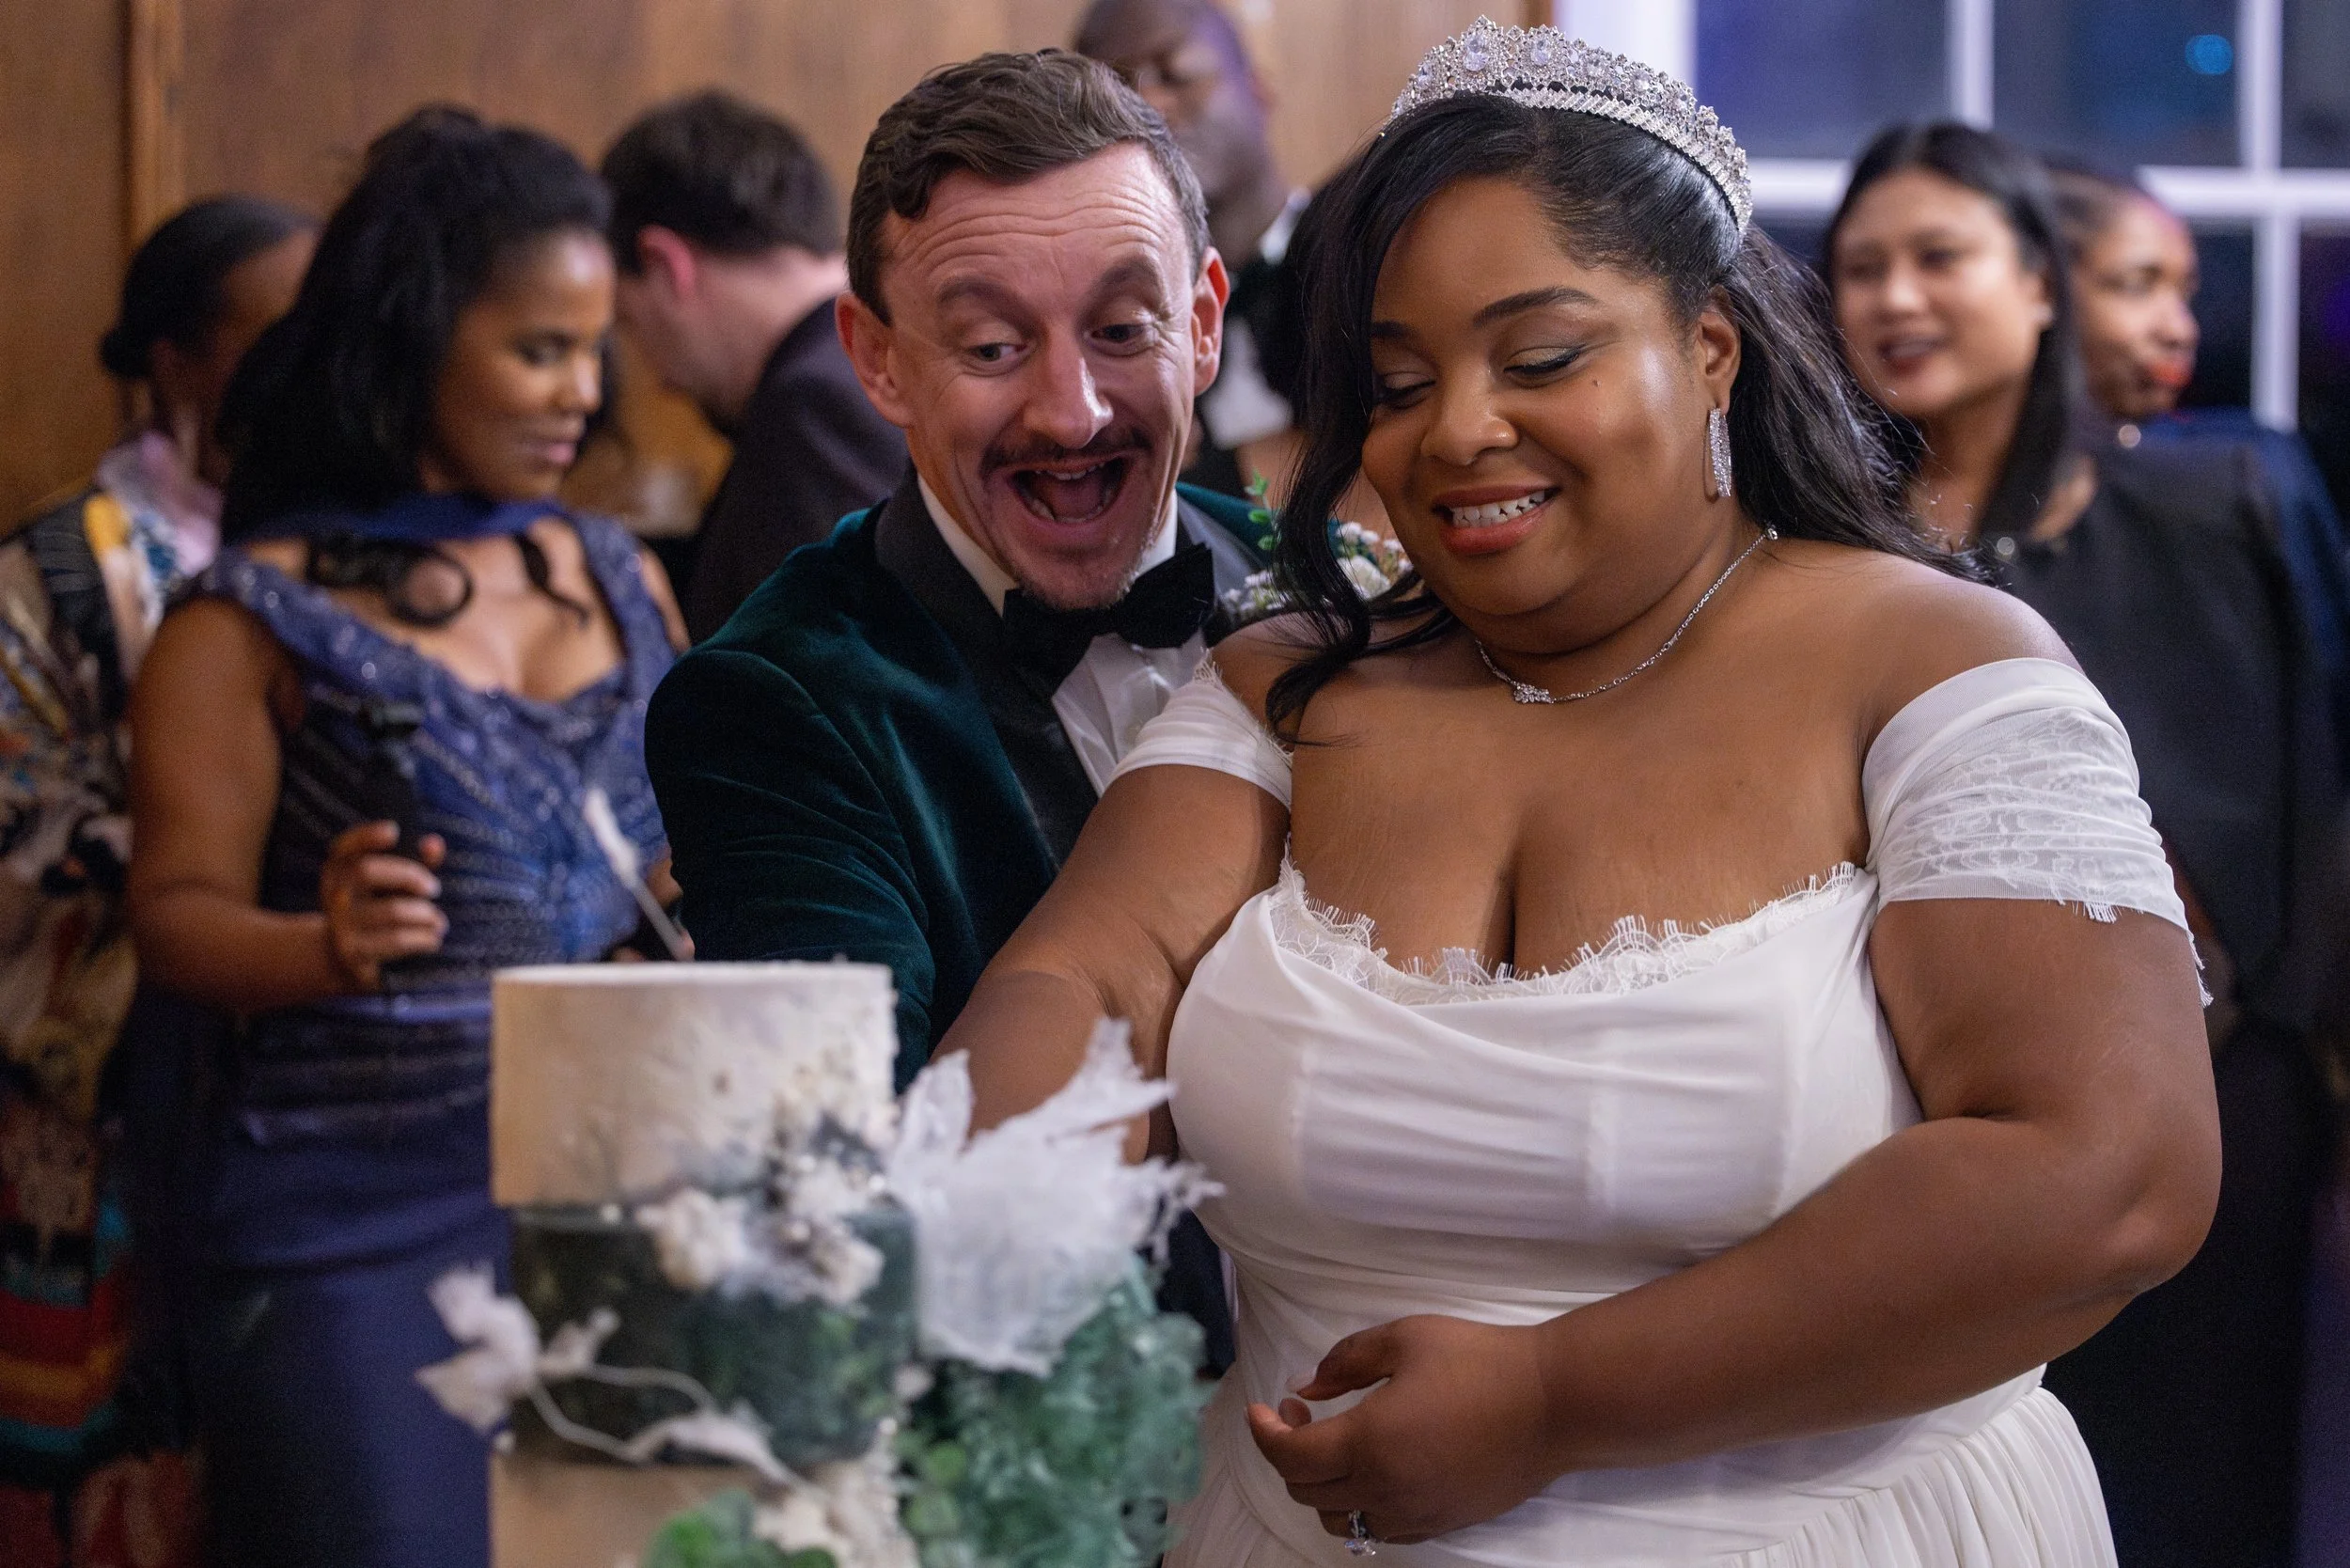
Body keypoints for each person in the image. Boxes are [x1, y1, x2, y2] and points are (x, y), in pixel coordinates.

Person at [939, 21, 2217, 1564]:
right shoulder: (1292, 686)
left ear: (1711, 348)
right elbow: (1091, 975)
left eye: (1541, 359)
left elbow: (2110, 1173)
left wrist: (1554, 1398)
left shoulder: (1935, 665)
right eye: (1398, 382)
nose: (1459, 428)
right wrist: (962, 1220)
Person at [646, 49, 1269, 1371]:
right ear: (876, 360)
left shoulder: (1326, 592)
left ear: (1205, 321)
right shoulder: (777, 698)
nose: (1070, 411)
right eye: (992, 347)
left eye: (1123, 329)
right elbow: (847, 1204)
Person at [124, 109, 682, 1568]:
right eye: (539, 350)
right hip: (355, 1220)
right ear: (413, 338)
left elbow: (672, 846)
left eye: (595, 350)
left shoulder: (616, 573)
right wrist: (320, 946)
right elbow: (171, 918)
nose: (582, 394)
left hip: (630, 1195)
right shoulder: (246, 619)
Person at [1828, 121, 2342, 1568]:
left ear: (2040, 285)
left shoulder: (2221, 502)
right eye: (1862, 267)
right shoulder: (1824, 555)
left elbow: (2322, 787)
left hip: (2220, 1108)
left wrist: (2294, 1041)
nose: (1895, 297)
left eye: (1939, 257)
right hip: (1909, 1129)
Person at [0, 193, 311, 1568]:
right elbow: (17, 818)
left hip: (298, 1081)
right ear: (179, 359)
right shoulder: (63, 569)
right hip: (103, 1092)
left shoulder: (358, 552)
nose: (309, 361)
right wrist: (214, 859)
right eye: (272, 333)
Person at [2045, 156, 2350, 750]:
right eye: (2137, 285)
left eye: (2184, 294)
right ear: (2034, 287)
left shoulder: (2237, 477)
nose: (2180, 329)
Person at [602, 90, 907, 641]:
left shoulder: (818, 400)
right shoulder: (852, 361)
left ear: (665, 265)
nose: (660, 381)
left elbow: (836, 661)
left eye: (629, 323)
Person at [1076, 0, 1308, 501]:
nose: (1149, 106)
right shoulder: (1098, 332)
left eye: (1175, 73)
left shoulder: (1368, 260)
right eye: (1117, 94)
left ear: (1259, 89)